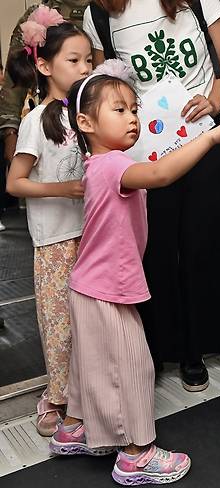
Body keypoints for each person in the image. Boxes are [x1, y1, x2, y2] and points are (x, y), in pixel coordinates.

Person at [47, 60, 220, 485]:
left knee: (92, 366)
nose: (133, 117)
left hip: (89, 285)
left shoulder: (102, 165)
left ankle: (75, 428)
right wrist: (212, 135)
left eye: (134, 109)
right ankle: (137, 453)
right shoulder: (114, 167)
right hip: (106, 290)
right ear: (85, 122)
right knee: (134, 366)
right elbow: (160, 173)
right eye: (119, 110)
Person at [82, 0, 220, 393]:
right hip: (145, 148)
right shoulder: (99, 14)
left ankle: (202, 348)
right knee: (154, 248)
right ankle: (157, 350)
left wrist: (213, 101)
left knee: (207, 241)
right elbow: (104, 84)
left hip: (203, 137)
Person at [5, 7, 89, 436]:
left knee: (90, 323)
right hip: (55, 240)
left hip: (91, 236)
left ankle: (86, 394)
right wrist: (65, 189)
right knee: (58, 325)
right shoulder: (36, 121)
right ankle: (55, 396)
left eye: (88, 60)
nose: (84, 68)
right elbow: (15, 183)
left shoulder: (88, 116)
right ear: (43, 65)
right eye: (73, 60)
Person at [0, 0, 90, 177]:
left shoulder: (104, 9)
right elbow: (15, 80)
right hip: (50, 120)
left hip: (91, 113)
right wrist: (10, 132)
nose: (84, 67)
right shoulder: (39, 15)